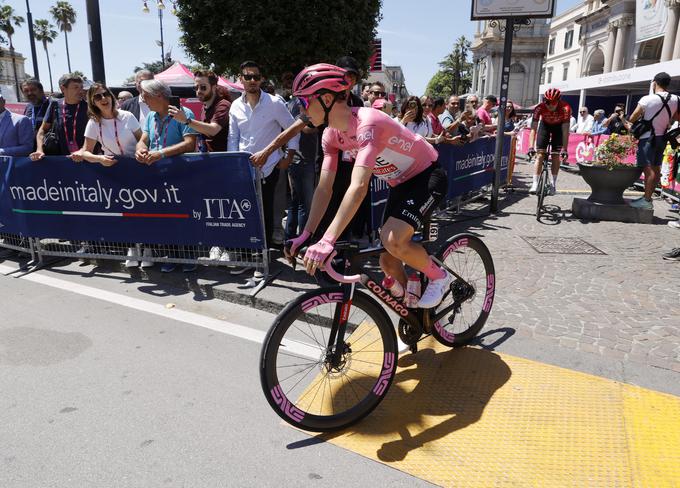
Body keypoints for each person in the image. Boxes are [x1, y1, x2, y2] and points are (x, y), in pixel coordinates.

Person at [286, 63, 451, 309]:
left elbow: (359, 186)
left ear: (327, 98)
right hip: (400, 183)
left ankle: (440, 277)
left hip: (428, 175)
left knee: (393, 239)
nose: (301, 109)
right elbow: (324, 189)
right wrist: (308, 234)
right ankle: (413, 309)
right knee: (388, 261)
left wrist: (328, 240)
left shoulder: (367, 123)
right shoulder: (330, 135)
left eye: (304, 101)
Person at [227, 60, 299, 269]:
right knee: (246, 212)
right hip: (243, 168)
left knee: (265, 211)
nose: (252, 81)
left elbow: (293, 129)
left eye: (256, 77)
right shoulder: (235, 105)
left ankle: (262, 256)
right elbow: (234, 137)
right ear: (240, 79)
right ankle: (247, 253)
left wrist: (288, 156)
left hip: (270, 167)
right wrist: (234, 164)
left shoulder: (275, 103)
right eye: (247, 77)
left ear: (262, 79)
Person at [71, 83, 149, 268]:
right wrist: (99, 159)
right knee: (125, 212)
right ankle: (132, 248)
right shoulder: (93, 123)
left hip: (138, 169)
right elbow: (85, 152)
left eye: (105, 94)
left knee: (144, 211)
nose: (103, 99)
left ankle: (148, 249)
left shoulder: (127, 116)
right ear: (93, 102)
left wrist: (142, 152)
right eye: (97, 97)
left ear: (111, 96)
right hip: (114, 172)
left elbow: (143, 141)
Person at [135, 79, 199, 272]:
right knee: (164, 216)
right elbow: (143, 141)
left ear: (159, 96)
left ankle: (188, 255)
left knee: (182, 215)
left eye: (146, 96)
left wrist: (161, 153)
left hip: (179, 174)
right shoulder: (150, 117)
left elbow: (190, 144)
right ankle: (171, 255)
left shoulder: (184, 114)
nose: (143, 100)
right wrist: (140, 150)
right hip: (157, 174)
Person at [627, 72, 680, 210]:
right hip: (662, 137)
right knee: (656, 169)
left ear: (655, 83)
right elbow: (677, 117)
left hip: (648, 138)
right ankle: (647, 198)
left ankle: (646, 200)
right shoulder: (676, 99)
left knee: (649, 170)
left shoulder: (647, 99)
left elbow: (633, 117)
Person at [30, 73, 89, 160]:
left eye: (81, 87)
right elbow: (42, 130)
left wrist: (84, 151)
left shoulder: (89, 107)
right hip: (61, 160)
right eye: (76, 87)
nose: (80, 91)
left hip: (85, 158)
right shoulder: (55, 105)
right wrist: (39, 149)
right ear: (63, 88)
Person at [171, 70, 230, 153]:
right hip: (208, 157)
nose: (198, 91)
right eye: (196, 87)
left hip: (222, 159)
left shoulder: (223, 105)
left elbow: (213, 130)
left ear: (213, 88)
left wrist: (186, 120)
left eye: (203, 87)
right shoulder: (205, 106)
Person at [527, 87, 571, 195]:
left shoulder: (565, 108)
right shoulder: (539, 108)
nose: (550, 105)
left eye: (553, 103)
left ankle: (553, 183)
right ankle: (535, 183)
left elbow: (565, 130)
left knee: (556, 155)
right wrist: (531, 147)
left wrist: (565, 149)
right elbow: (533, 129)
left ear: (558, 101)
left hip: (558, 128)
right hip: (545, 126)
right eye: (547, 102)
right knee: (540, 155)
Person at [0, 92, 33, 156]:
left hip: (9, 164)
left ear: (3, 101)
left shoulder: (21, 120)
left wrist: (1, 152)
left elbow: (27, 148)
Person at [21, 79, 50, 147]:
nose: (30, 93)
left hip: (50, 149)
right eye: (26, 91)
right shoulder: (28, 107)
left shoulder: (52, 104)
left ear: (41, 90)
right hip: (31, 148)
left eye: (33, 89)